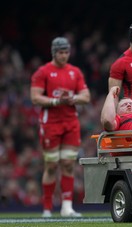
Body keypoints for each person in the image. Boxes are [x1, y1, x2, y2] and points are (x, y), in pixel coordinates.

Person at [30, 37, 91, 217]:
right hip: (51, 123)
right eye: (60, 52)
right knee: (51, 165)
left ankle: (67, 208)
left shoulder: (75, 72)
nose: (64, 55)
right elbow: (35, 97)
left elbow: (86, 97)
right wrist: (57, 101)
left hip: (70, 122)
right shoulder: (43, 72)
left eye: (66, 52)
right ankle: (47, 208)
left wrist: (72, 99)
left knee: (68, 164)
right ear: (54, 52)